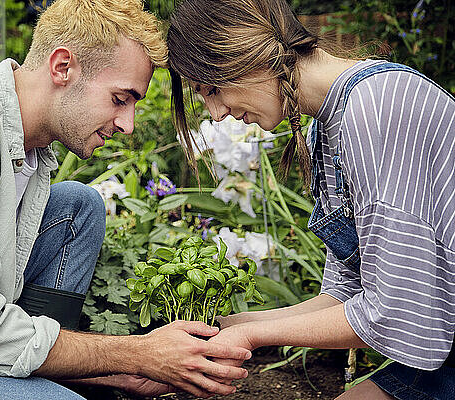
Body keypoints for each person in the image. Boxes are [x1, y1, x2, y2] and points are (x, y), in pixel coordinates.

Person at [0, 1, 253, 399]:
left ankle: (52, 374)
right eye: (120, 99)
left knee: (77, 207)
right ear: (62, 67)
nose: (128, 125)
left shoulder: (25, 138)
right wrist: (138, 354)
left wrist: (112, 372)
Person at [166, 0, 455, 399]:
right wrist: (229, 326)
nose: (215, 114)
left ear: (246, 52)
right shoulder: (327, 124)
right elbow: (346, 293)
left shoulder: (377, 109)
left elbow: (400, 315)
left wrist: (254, 334)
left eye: (212, 88)